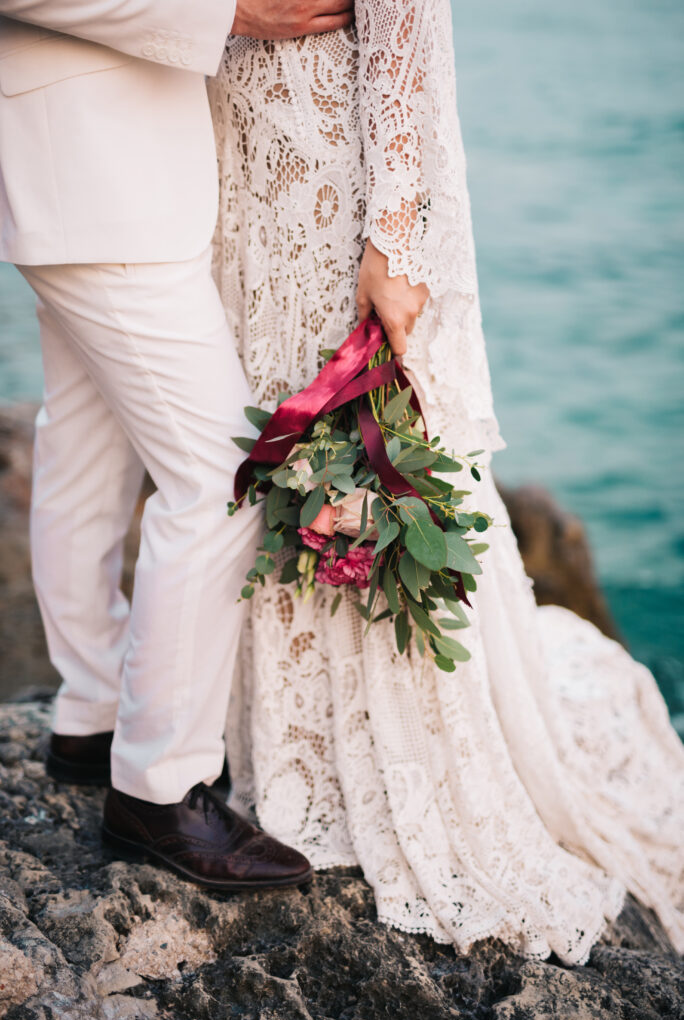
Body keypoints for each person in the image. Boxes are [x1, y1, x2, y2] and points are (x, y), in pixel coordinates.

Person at [208, 1, 684, 963]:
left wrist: (395, 235)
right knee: (251, 425)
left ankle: (389, 760)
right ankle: (268, 735)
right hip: (241, 161)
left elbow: (406, 23)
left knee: (350, 426)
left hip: (329, 169)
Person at [0, 0, 354, 890]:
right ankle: (159, 789)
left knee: (86, 447)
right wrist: (224, 9)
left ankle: (94, 714)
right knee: (223, 475)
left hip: (92, 161)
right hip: (89, 161)